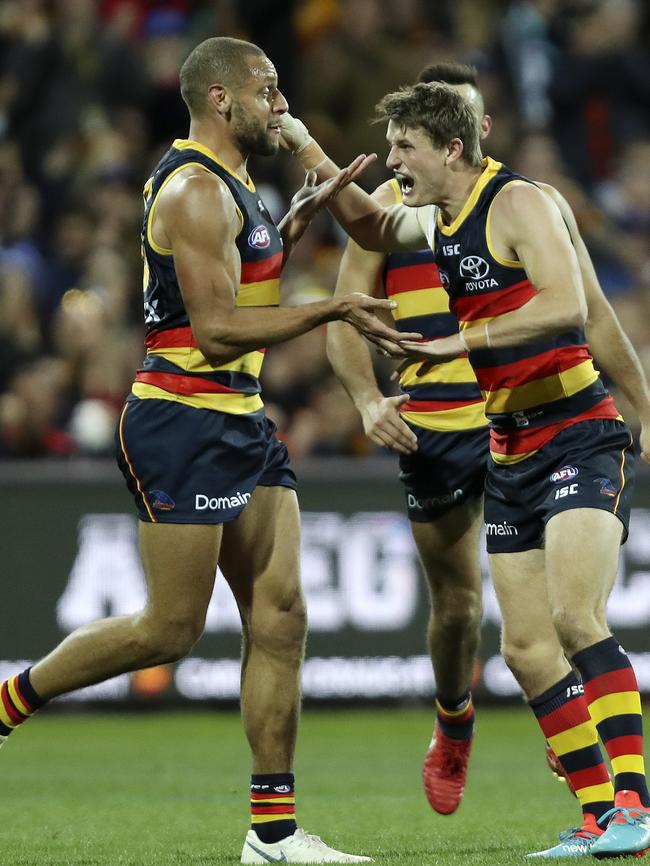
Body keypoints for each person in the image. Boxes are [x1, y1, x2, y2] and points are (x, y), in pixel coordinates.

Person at [0, 36, 422, 865]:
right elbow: (219, 331)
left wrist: (287, 235)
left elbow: (241, 293)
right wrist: (331, 312)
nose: (281, 106)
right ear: (222, 99)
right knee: (169, 630)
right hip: (182, 420)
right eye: (268, 91)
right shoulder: (195, 189)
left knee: (283, 615)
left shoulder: (239, 189)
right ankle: (10, 701)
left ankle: (272, 834)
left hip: (241, 419)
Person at [280, 82, 650, 858]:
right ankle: (595, 818)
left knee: (576, 618)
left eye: (404, 148)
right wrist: (299, 143)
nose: (392, 162)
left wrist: (460, 344)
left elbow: (567, 308)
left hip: (578, 432)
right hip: (509, 444)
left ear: (451, 149)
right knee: (521, 650)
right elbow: (371, 222)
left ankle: (635, 807)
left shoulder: (519, 204)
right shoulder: (436, 216)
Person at [327, 63, 491, 818]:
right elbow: (344, 317)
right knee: (457, 607)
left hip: (521, 416)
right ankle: (453, 723)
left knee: (556, 608)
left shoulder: (514, 202)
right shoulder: (390, 209)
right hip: (436, 430)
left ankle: (577, 725)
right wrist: (366, 400)